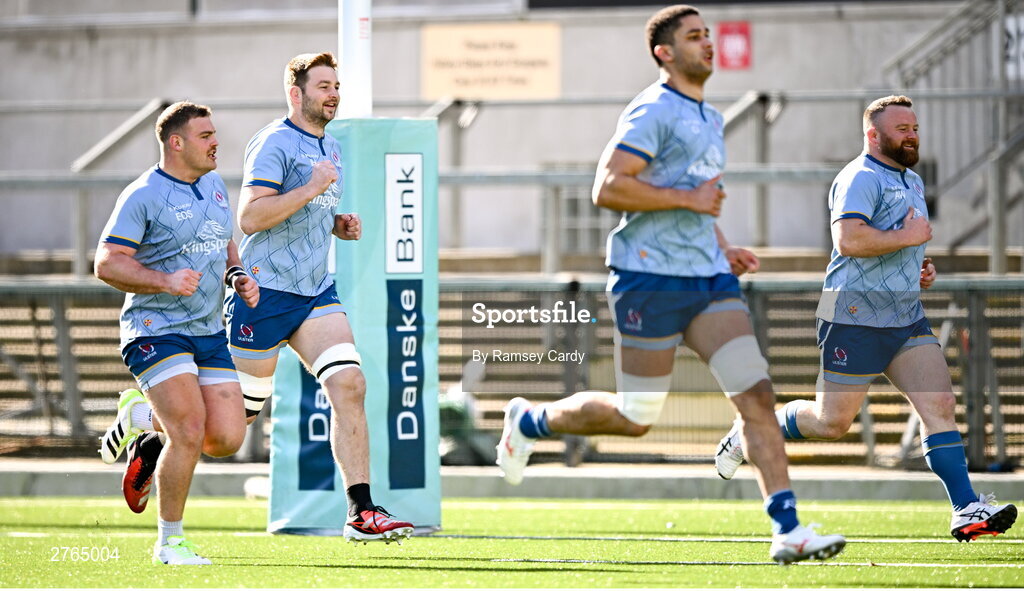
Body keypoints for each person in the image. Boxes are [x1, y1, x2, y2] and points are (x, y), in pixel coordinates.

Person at [495, 4, 845, 565]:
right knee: (635, 417)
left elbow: (698, 196)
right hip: (648, 278)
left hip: (706, 279)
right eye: (694, 37)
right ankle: (530, 421)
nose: (708, 44)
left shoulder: (708, 116)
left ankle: (788, 529)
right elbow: (606, 188)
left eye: (709, 35)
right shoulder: (654, 109)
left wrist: (719, 242)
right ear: (665, 52)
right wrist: (689, 201)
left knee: (756, 396)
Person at [713, 95, 1018, 542]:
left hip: (905, 314)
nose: (912, 135)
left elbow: (897, 242)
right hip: (854, 315)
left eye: (914, 127)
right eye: (902, 129)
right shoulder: (859, 177)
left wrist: (918, 264)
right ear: (873, 135)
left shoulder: (912, 180)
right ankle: (750, 430)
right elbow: (850, 239)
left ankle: (965, 508)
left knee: (940, 407)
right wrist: (908, 237)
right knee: (831, 423)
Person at [224, 51, 412, 543]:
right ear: (296, 93)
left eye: (335, 85)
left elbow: (303, 213)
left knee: (350, 384)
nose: (333, 93)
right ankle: (150, 429)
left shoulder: (332, 148)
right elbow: (250, 218)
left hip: (314, 292)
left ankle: (361, 512)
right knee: (229, 427)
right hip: (264, 293)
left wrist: (336, 223)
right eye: (323, 85)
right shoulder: (273, 143)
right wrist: (311, 189)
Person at [95, 101, 260, 565]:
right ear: (177, 142)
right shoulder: (142, 194)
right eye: (206, 135)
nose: (215, 142)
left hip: (207, 330)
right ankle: (170, 543)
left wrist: (237, 274)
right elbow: (106, 263)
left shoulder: (213, 184)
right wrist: (165, 281)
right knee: (188, 430)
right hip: (154, 329)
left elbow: (222, 241)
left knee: (226, 438)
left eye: (214, 134)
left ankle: (140, 420)